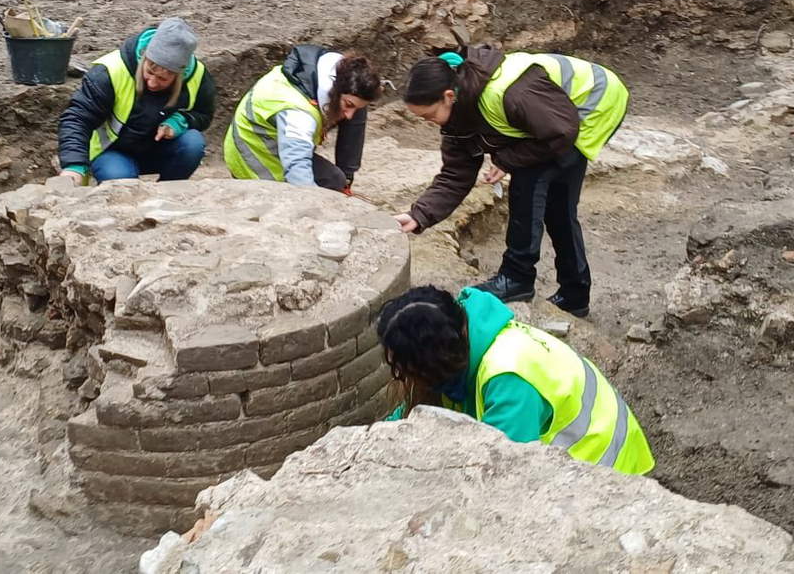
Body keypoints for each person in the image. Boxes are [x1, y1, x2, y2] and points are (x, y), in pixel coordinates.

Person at [392, 47, 627, 318]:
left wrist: (506, 161)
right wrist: (419, 215)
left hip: (595, 102)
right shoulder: (457, 116)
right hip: (554, 117)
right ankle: (575, 295)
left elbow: (561, 132)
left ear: (448, 96)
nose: (429, 123)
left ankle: (517, 277)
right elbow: (456, 174)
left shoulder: (508, 93)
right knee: (559, 208)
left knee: (528, 184)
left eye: (429, 115)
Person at [377, 285, 653, 475]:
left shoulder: (509, 381)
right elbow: (420, 408)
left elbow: (506, 472)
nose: (404, 379)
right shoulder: (464, 330)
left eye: (410, 371)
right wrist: (380, 437)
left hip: (603, 469)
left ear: (434, 366)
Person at [58, 18, 216, 184]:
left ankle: (169, 190)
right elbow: (78, 118)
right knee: (120, 180)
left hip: (159, 149)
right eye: (149, 72)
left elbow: (204, 114)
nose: (152, 83)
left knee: (192, 144)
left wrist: (180, 121)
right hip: (112, 151)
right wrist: (74, 165)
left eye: (163, 79)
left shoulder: (198, 76)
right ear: (143, 57)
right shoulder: (110, 72)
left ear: (180, 75)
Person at [224, 46, 382, 192]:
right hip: (254, 158)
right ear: (333, 91)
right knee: (324, 185)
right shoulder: (297, 113)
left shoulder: (324, 75)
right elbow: (297, 168)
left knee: (336, 180)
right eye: (349, 105)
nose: (349, 115)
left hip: (275, 142)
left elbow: (354, 105)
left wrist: (347, 176)